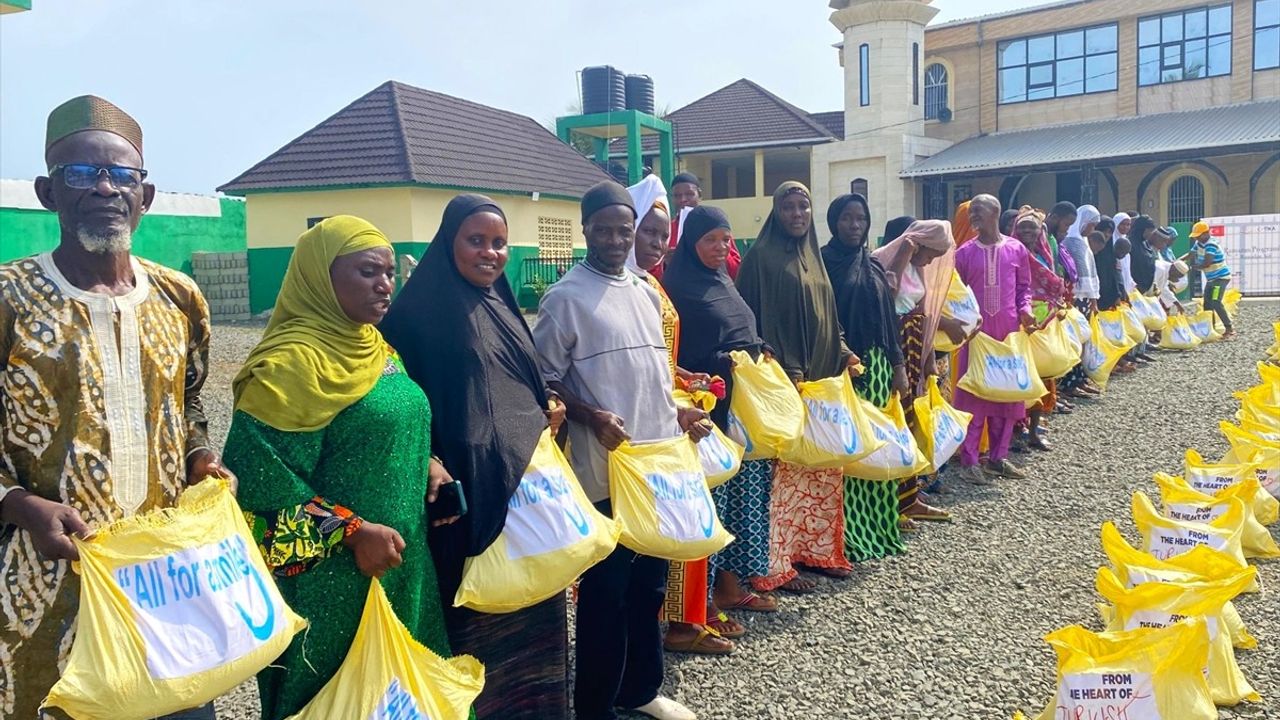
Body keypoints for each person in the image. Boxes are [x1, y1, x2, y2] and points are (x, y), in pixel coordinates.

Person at [0, 95, 228, 720]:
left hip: (163, 579)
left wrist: (201, 456)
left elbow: (189, 401)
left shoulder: (179, 297)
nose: (105, 188)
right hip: (45, 581)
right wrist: (21, 505)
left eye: (122, 175)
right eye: (82, 174)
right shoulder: (8, 296)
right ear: (49, 191)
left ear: (145, 195)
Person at [227, 216, 461, 720]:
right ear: (319, 278)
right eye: (366, 272)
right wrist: (353, 532)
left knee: (406, 697)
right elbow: (261, 482)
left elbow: (393, 423)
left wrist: (428, 463)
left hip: (401, 564)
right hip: (329, 583)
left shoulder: (378, 349)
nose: (384, 284)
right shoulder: (288, 366)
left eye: (389, 273)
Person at [378, 195, 571, 719]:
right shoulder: (418, 314)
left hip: (526, 504)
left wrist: (546, 408)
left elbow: (519, 383)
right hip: (463, 506)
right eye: (477, 240)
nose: (491, 253)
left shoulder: (502, 304)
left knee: (536, 628)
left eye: (500, 242)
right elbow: (402, 403)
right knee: (474, 638)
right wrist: (429, 459)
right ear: (448, 242)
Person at [532, 180, 707, 720]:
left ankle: (641, 690)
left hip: (656, 464)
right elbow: (544, 382)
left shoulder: (645, 290)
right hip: (603, 469)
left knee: (648, 586)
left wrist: (678, 411)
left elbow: (651, 373)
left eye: (622, 229)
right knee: (607, 591)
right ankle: (595, 705)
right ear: (585, 229)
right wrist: (590, 416)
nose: (614, 238)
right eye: (603, 229)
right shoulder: (564, 298)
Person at [621, 175, 735, 657]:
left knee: (687, 523)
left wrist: (686, 377)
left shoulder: (650, 284)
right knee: (666, 528)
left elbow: (658, 357)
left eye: (661, 233)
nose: (655, 243)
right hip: (646, 429)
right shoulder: (618, 289)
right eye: (645, 231)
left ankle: (684, 621)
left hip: (674, 417)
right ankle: (674, 627)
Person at [736, 181, 859, 593]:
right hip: (784, 383)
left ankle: (818, 552)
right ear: (776, 212)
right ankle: (779, 563)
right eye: (788, 207)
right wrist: (779, 367)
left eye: (803, 207)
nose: (796, 215)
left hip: (822, 382)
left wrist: (844, 352)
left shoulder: (815, 258)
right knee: (784, 476)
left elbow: (830, 316)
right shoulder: (759, 260)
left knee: (820, 464)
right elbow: (748, 324)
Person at [662, 205, 781, 629]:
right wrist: (722, 362)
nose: (720, 247)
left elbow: (739, 326)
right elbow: (679, 352)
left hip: (740, 410)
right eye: (710, 239)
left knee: (741, 499)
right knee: (712, 505)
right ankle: (701, 601)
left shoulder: (722, 281)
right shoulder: (678, 287)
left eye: (725, 239)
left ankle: (731, 584)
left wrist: (758, 346)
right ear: (692, 243)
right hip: (707, 411)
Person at [821, 194, 914, 555]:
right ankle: (848, 536)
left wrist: (898, 366)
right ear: (833, 222)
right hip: (845, 369)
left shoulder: (872, 265)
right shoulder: (824, 264)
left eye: (860, 218)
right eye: (846, 218)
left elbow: (889, 322)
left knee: (879, 446)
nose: (854, 225)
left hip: (876, 370)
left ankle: (879, 526)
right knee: (852, 449)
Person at [869, 220, 965, 505]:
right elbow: (887, 295)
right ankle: (894, 496)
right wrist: (903, 254)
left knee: (911, 414)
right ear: (918, 243)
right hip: (892, 343)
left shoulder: (919, 266)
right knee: (894, 414)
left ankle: (911, 493)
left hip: (912, 345)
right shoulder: (885, 258)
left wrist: (926, 360)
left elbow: (922, 312)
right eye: (930, 253)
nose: (931, 260)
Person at [951, 195, 1035, 483]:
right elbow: (956, 294)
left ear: (995, 213)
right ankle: (970, 460)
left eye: (978, 210)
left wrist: (1025, 311)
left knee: (1007, 397)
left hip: (1008, 336)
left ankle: (999, 459)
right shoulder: (963, 253)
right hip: (976, 338)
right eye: (971, 210)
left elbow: (1025, 288)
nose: (973, 215)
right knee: (974, 397)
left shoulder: (1016, 249)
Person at [1012, 206, 1068, 449]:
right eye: (1022, 226)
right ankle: (1015, 429)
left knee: (1042, 376)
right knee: (1019, 375)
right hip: (1019, 320)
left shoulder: (1045, 254)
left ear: (1040, 231)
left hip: (1044, 322)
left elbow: (1055, 283)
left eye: (1031, 227)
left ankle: (1034, 429)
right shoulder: (1011, 252)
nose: (1027, 230)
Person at [659, 172, 740, 280]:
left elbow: (736, 271)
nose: (683, 199)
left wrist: (717, 252)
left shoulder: (715, 228)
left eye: (689, 194)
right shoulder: (667, 230)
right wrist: (666, 262)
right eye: (677, 196)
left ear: (700, 195)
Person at [1059, 204, 1102, 398]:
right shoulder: (1073, 242)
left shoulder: (1081, 240)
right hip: (1076, 297)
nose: (1091, 230)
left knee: (1082, 339)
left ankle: (1080, 377)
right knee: (1075, 339)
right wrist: (1091, 297)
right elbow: (1081, 273)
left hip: (1085, 298)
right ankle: (1070, 382)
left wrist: (1093, 297)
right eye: (1091, 225)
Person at [1186, 221, 1235, 339]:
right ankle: (1210, 328)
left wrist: (1193, 267)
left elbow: (1207, 262)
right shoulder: (1199, 243)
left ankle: (1229, 329)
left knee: (1215, 301)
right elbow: (1191, 254)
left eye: (1199, 235)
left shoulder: (1211, 244)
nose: (1197, 238)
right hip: (1211, 279)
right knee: (1207, 304)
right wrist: (1179, 261)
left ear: (1206, 233)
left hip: (1220, 279)